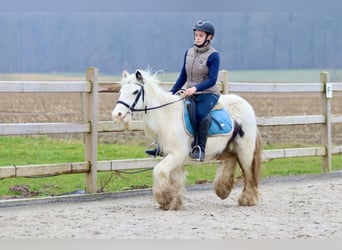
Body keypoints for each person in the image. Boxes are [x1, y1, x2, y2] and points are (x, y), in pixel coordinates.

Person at [146, 19, 220, 161]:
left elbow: (212, 80)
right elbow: (183, 76)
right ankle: (162, 147)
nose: (197, 38)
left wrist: (195, 88)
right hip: (190, 93)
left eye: (200, 35)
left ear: (209, 37)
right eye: (196, 35)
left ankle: (199, 148)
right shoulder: (189, 52)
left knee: (200, 115)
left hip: (208, 94)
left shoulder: (214, 56)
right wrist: (171, 92)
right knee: (168, 110)